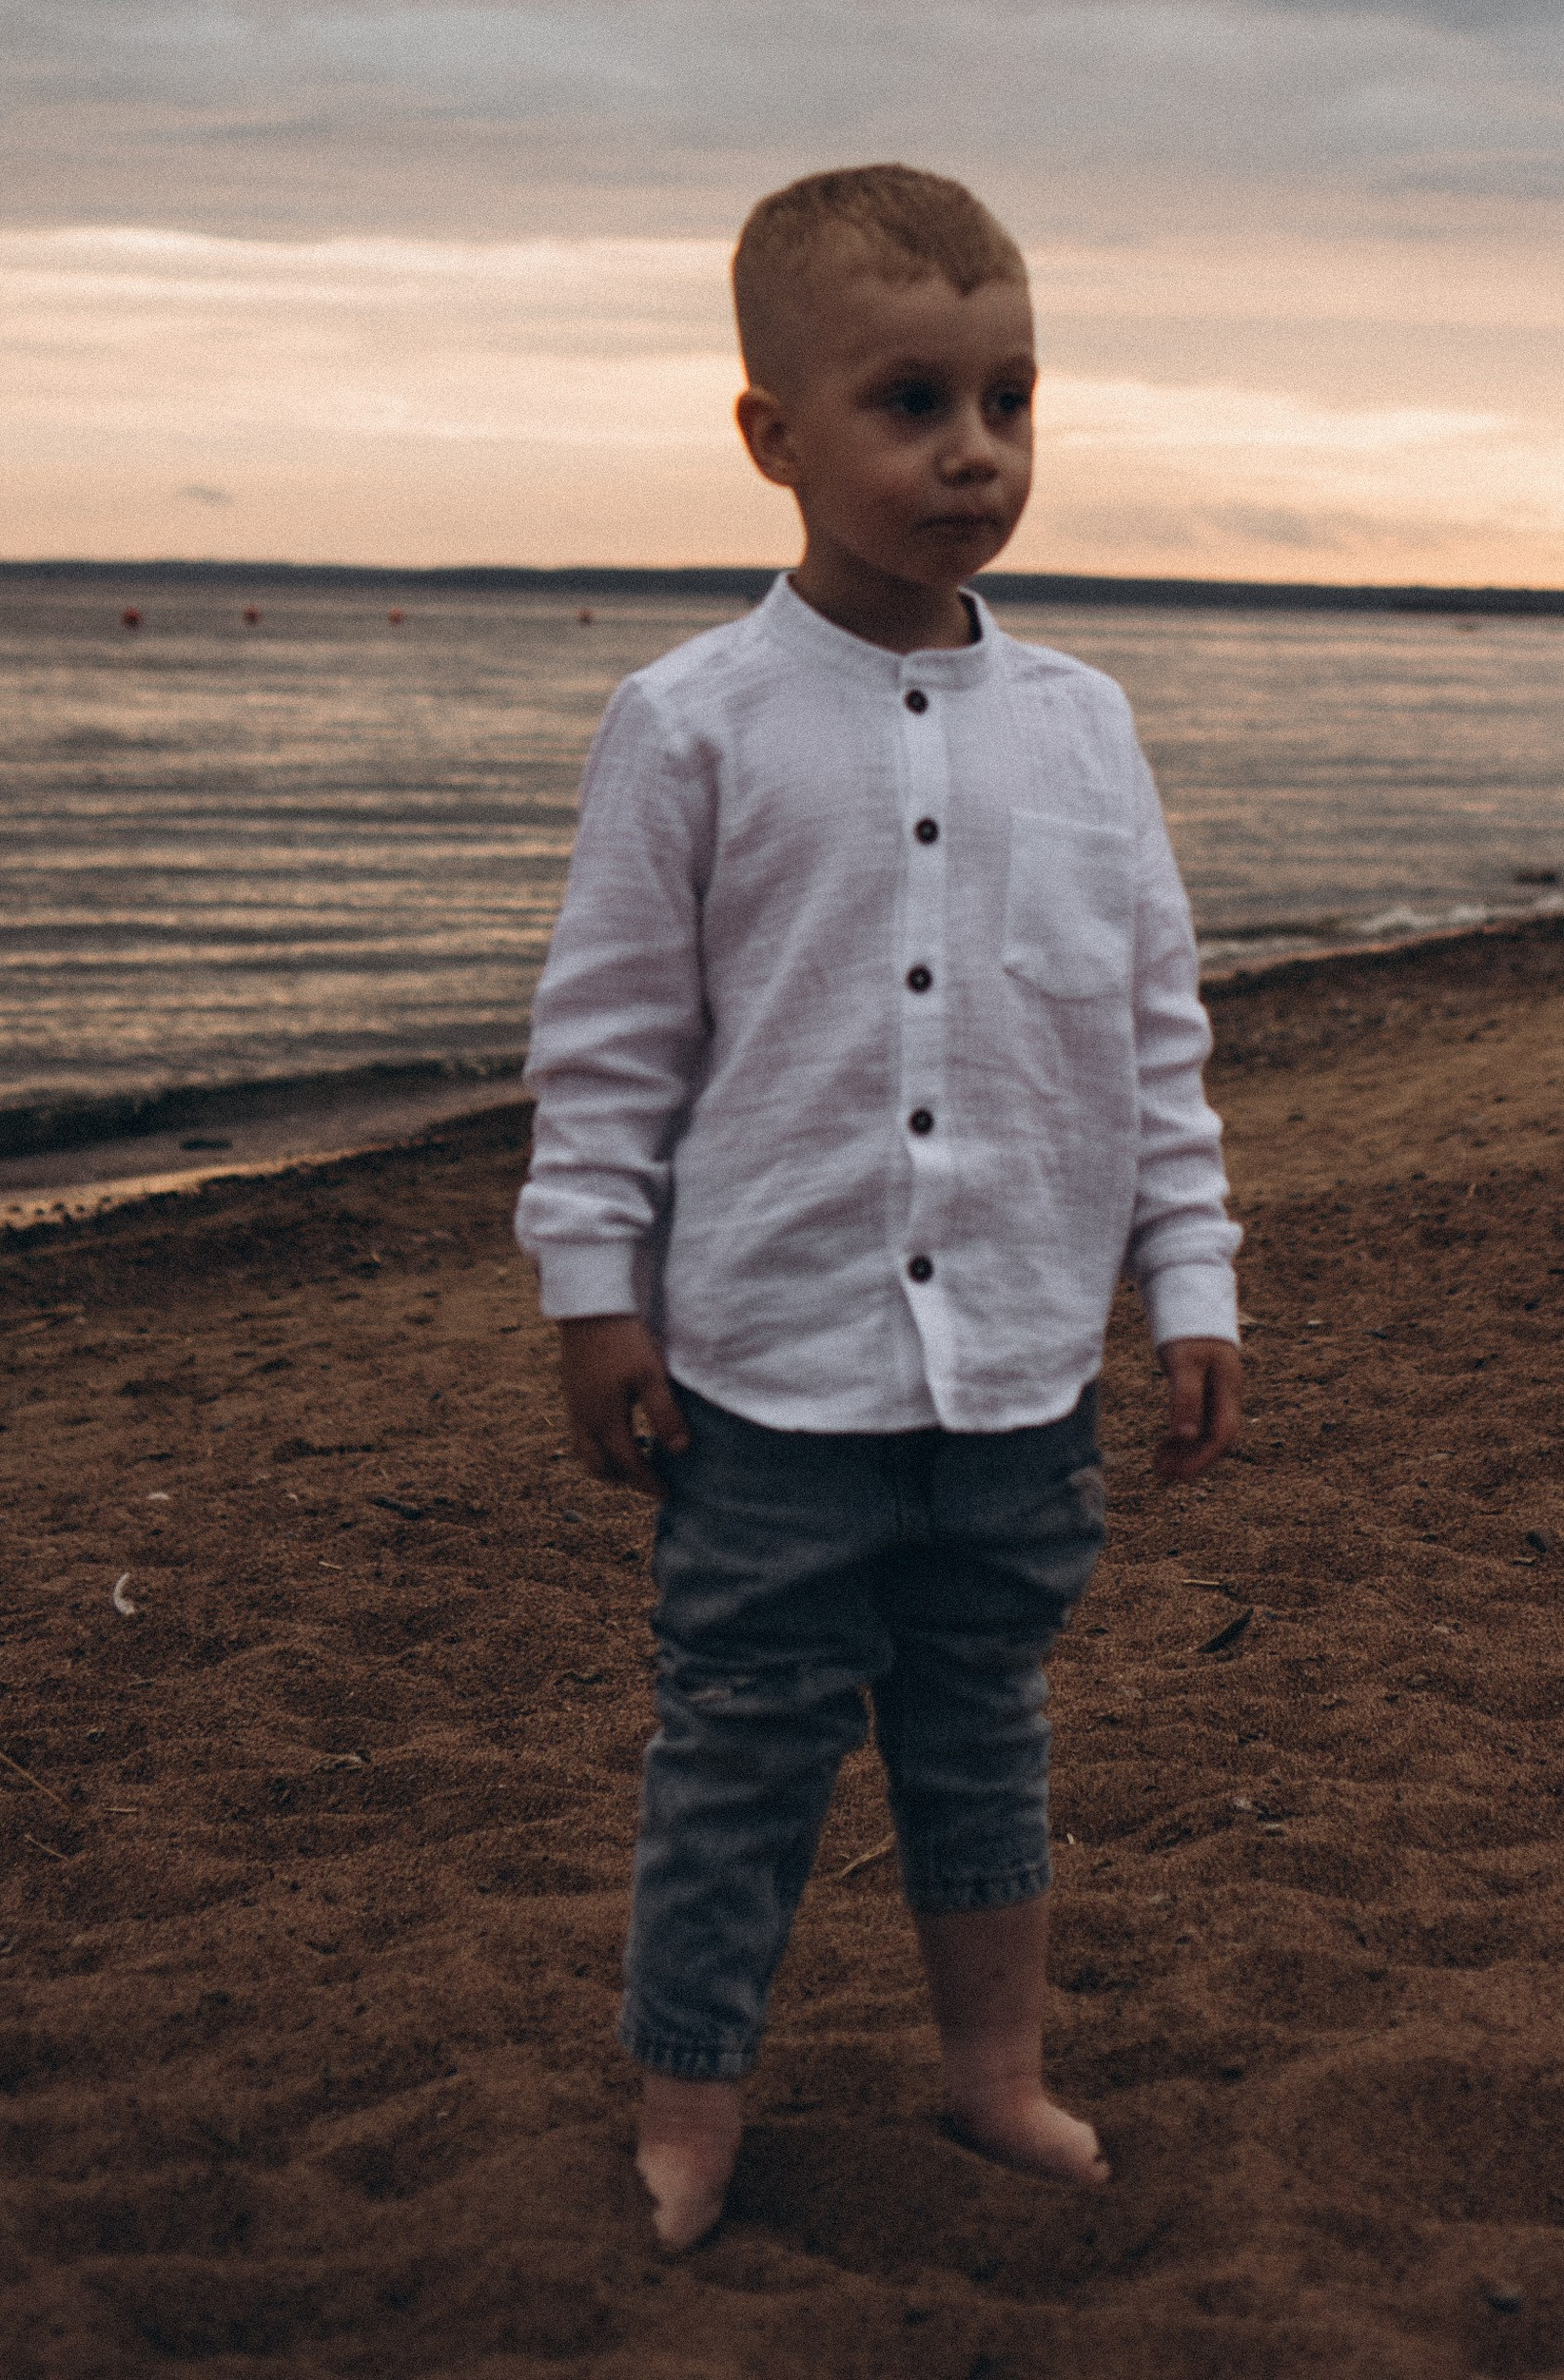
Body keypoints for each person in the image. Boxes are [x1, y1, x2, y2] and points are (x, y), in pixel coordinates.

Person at [516, 163, 1243, 2253]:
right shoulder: (689, 729)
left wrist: (1188, 1280)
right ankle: (690, 2117)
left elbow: (1147, 1042)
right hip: (762, 1380)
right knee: (737, 1758)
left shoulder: (1087, 734)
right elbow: (611, 1045)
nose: (974, 451)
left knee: (979, 1737)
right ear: (772, 435)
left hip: (1016, 1375)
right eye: (912, 401)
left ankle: (994, 2075)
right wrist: (593, 1295)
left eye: (1010, 398)